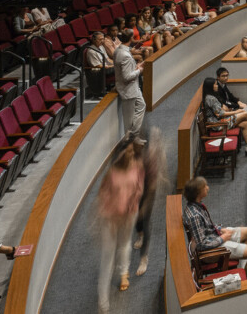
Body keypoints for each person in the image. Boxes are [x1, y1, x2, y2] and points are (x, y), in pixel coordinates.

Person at [96, 143, 144, 313]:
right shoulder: (111, 173)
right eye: (128, 151)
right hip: (111, 218)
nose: (131, 153)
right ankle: (103, 301)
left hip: (129, 214)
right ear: (121, 153)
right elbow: (103, 195)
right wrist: (114, 213)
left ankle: (124, 272)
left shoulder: (137, 167)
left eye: (132, 151)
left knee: (124, 245)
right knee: (107, 256)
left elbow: (139, 189)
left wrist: (131, 205)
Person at [182, 177, 247, 277]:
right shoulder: (194, 216)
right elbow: (202, 245)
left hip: (213, 237)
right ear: (198, 192)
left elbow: (207, 227)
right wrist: (222, 238)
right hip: (212, 250)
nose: (208, 188)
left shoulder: (196, 205)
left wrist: (221, 230)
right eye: (204, 187)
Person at [131, 128, 165, 278]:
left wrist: (145, 207)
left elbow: (151, 186)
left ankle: (144, 258)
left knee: (144, 220)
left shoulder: (149, 159)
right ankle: (140, 235)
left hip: (146, 188)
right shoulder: (129, 156)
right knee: (136, 221)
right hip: (132, 190)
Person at [203, 77, 247, 155]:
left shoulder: (215, 93)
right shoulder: (210, 98)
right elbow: (219, 113)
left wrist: (237, 106)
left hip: (224, 116)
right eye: (215, 84)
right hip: (218, 124)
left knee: (245, 122)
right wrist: (236, 111)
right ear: (210, 86)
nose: (217, 86)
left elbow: (227, 103)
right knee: (245, 113)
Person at [113, 31, 146, 138]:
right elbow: (126, 77)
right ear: (131, 38)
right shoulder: (124, 55)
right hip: (127, 89)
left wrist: (136, 67)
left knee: (142, 105)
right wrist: (139, 70)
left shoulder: (119, 50)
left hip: (133, 88)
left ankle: (134, 134)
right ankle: (131, 139)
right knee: (128, 119)